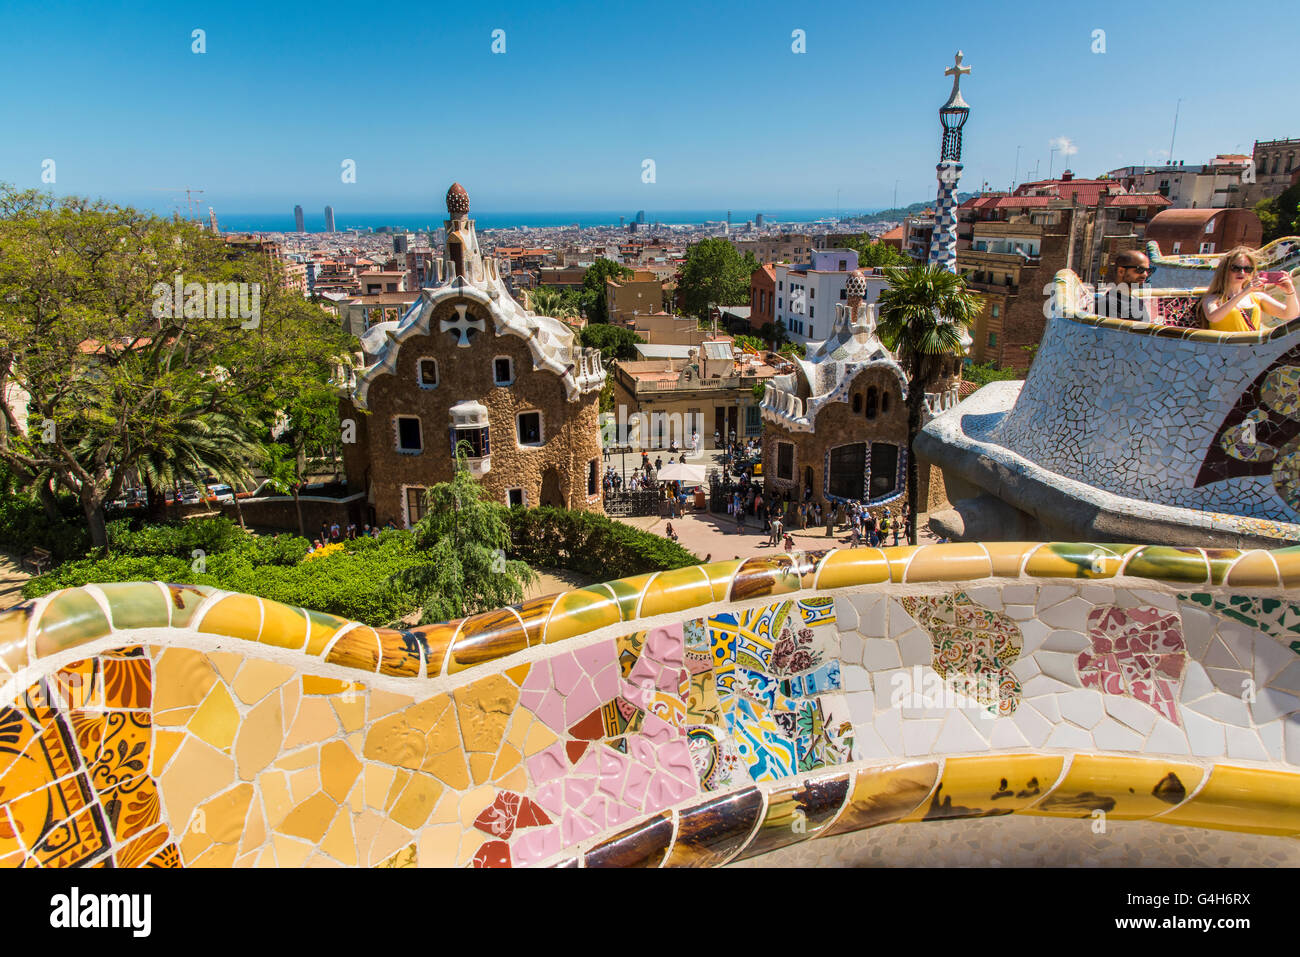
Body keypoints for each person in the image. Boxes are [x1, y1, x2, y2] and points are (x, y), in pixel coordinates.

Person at [1200, 247, 1298, 332]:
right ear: (1224, 270)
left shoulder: (1258, 297)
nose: (1242, 273)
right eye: (1236, 268)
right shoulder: (1213, 298)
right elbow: (1214, 317)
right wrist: (1244, 292)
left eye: (1247, 269)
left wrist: (1290, 292)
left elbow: (1290, 314)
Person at [1094, 249, 1156, 322]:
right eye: (1140, 270)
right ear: (1121, 271)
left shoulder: (1138, 302)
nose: (1145, 275)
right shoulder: (1106, 304)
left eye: (1148, 271)